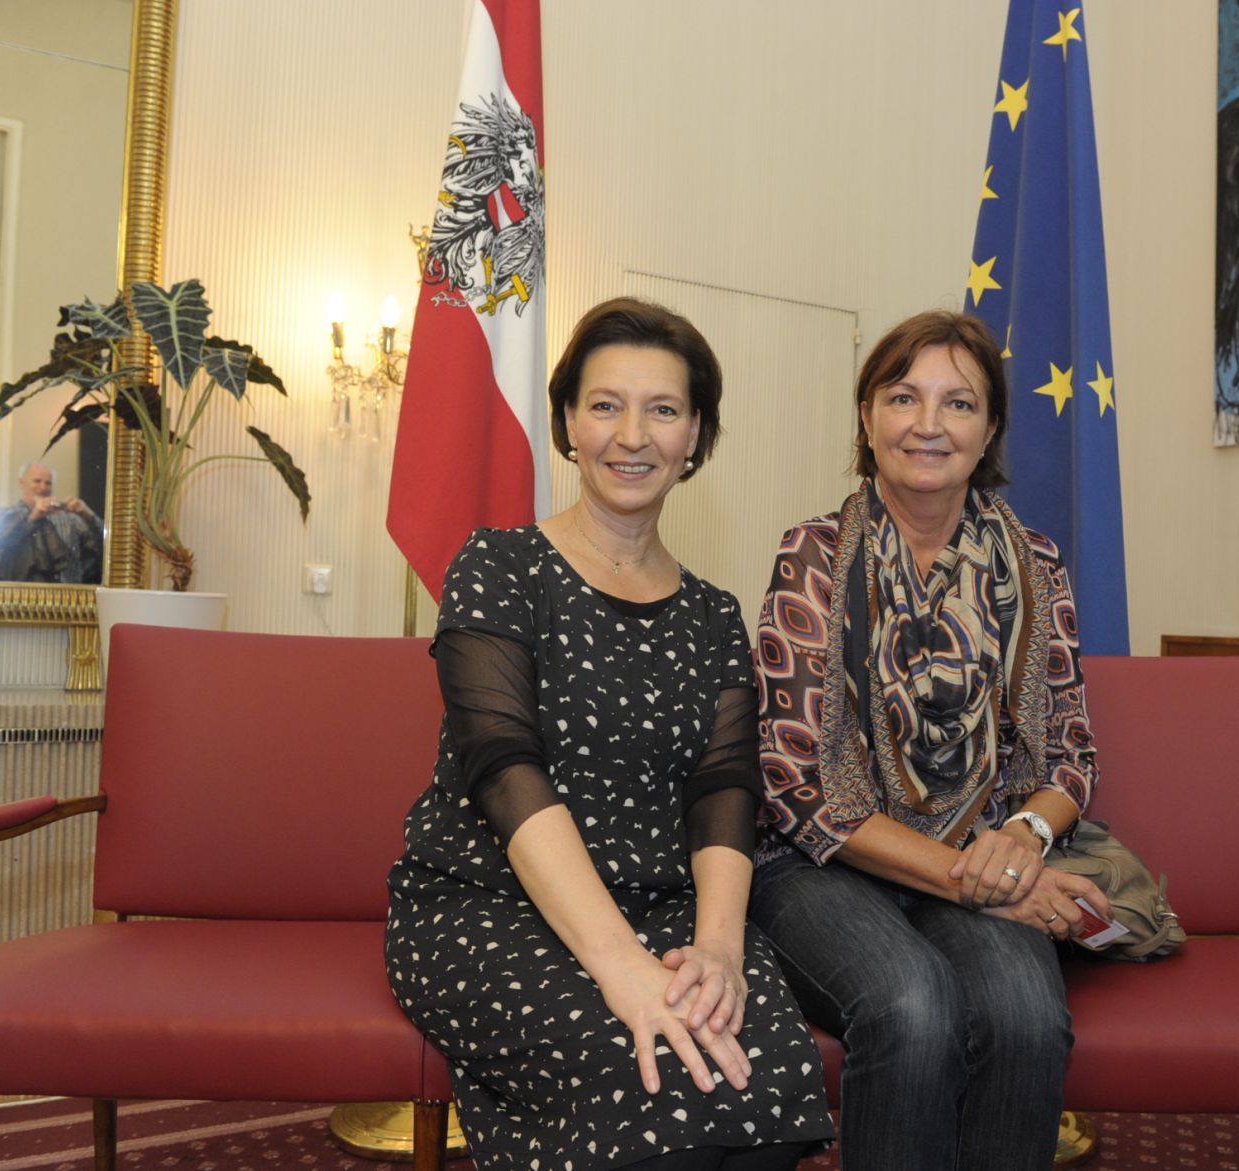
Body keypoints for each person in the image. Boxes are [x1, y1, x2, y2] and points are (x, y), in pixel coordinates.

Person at [385, 298, 834, 1171]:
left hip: (664, 907)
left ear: (695, 435)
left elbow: (724, 790)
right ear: (566, 421)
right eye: (605, 405)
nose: (633, 436)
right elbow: (504, 770)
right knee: (653, 1090)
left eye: (663, 409)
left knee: (768, 1075)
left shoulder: (713, 615)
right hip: (489, 906)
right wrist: (622, 967)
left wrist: (718, 949)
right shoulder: (497, 567)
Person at [749, 310, 1108, 1171]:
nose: (928, 423)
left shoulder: (1036, 564)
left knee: (1026, 1016)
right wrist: (985, 880)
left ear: (990, 429)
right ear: (867, 417)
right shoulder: (814, 556)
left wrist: (1022, 838)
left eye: (959, 402)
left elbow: (1070, 758)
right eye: (903, 396)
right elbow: (797, 787)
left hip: (981, 850)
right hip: (820, 865)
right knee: (912, 1007)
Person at [0, 464, 104, 583]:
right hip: (16, 592)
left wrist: (87, 515)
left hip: (67, 591)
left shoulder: (70, 520)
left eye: (48, 483)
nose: (43, 487)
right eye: (37, 481)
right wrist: (33, 517)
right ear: (21, 483)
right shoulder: (4, 516)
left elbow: (106, 546)